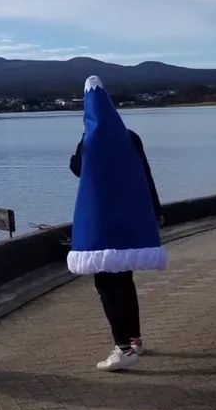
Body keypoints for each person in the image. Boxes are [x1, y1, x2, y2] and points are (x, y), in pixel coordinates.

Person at [67, 76, 167, 371]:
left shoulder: (89, 139)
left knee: (106, 285)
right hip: (129, 220)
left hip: (101, 224)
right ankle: (134, 340)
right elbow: (145, 173)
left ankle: (122, 348)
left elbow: (77, 170)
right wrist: (156, 210)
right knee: (125, 280)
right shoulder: (130, 136)